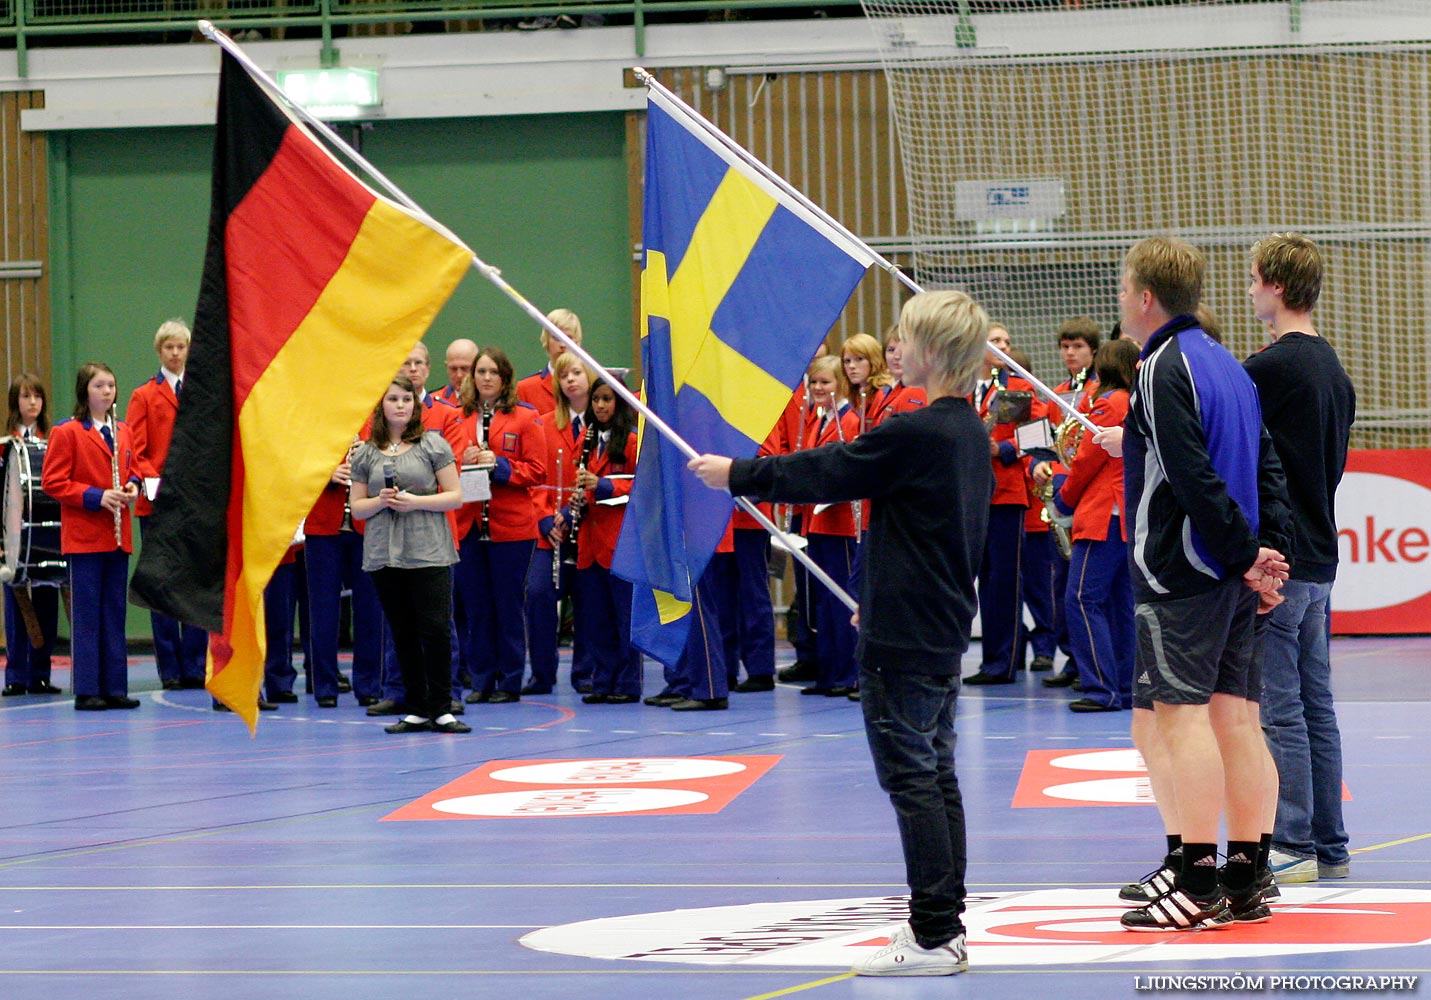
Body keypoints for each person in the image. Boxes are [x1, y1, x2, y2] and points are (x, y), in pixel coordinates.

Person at [690, 289, 993, 977]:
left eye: (905, 339)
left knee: (914, 779)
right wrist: (879, 597)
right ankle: (942, 922)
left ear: (932, 350)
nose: (896, 350)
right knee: (934, 774)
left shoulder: (917, 430)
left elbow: (827, 468)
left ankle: (933, 934)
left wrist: (734, 474)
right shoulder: (965, 431)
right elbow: (935, 538)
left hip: (906, 636)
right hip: (933, 625)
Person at [1111, 236, 1290, 931]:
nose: (1120, 300)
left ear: (1146, 297)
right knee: (1238, 722)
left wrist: (1245, 554)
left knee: (1177, 719)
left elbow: (1190, 475)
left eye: (1124, 287)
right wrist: (1267, 552)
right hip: (1229, 570)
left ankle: (1195, 882)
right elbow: (1264, 466)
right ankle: (1246, 877)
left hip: (1183, 570)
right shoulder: (1227, 365)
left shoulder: (1158, 366)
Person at [1244, 233, 1356, 884]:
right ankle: (1329, 840)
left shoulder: (1268, 369)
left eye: (1255, 278)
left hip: (1282, 560)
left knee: (1281, 707)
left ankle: (1290, 840)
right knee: (1316, 705)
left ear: (1277, 286)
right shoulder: (1333, 370)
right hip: (1321, 556)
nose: (1249, 288)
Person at [349, 375, 467, 734]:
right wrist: (379, 501)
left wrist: (416, 501)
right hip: (385, 553)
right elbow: (357, 508)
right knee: (402, 630)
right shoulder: (366, 452)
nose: (400, 405)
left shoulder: (433, 444)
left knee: (434, 629)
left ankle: (442, 708)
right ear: (381, 407)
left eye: (406, 399)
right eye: (393, 399)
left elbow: (455, 495)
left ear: (415, 405)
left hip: (428, 550)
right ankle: (415, 707)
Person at [41, 363, 143, 712]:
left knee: (114, 613)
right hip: (85, 538)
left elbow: (136, 469)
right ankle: (87, 689)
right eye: (100, 385)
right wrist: (96, 496)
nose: (107, 392)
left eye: (112, 385)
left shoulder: (124, 431)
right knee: (86, 616)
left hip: (117, 537)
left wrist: (132, 486)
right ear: (85, 390)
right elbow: (53, 482)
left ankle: (115, 687)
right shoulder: (67, 432)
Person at [1050, 338, 1138, 712]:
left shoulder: (1108, 403)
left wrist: (1062, 498)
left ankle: (1101, 688)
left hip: (1102, 514)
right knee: (1120, 604)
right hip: (1125, 517)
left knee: (1083, 599)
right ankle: (1125, 685)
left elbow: (1086, 458)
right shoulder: (1135, 402)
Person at [454, 347, 547, 703]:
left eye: (493, 372)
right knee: (476, 607)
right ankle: (481, 680)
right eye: (480, 372)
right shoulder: (458, 418)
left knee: (508, 605)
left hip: (512, 527)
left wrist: (501, 465)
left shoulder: (525, 417)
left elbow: (537, 471)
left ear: (505, 378)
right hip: (470, 525)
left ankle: (509, 680)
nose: (486, 378)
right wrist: (464, 460)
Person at [127, 319, 207, 691]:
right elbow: (135, 451)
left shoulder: (202, 391)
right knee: (162, 585)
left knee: (193, 583)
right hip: (158, 504)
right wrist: (154, 483)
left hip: (195, 503)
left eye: (181, 347)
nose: (176, 353)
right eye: (169, 348)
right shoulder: (144, 395)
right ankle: (170, 668)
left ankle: (194, 664)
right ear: (159, 351)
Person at [965, 323, 1046, 685]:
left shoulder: (1018, 388)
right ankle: (988, 658)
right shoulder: (963, 386)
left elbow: (1039, 435)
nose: (1003, 347)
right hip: (969, 496)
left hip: (1006, 494)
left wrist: (1006, 449)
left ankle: (1002, 661)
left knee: (1003, 581)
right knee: (975, 579)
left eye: (1007, 342)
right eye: (995, 341)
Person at [1030, 317, 1101, 687]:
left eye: (1078, 347)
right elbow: (1042, 443)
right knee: (1060, 582)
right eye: (1065, 347)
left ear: (1093, 351)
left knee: (1083, 585)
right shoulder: (1054, 394)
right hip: (1060, 496)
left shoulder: (1101, 391)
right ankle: (1072, 658)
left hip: (1089, 495)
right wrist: (1038, 464)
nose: (1070, 353)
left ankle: (1091, 661)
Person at [568, 377, 641, 704]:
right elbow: (577, 481)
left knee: (623, 615)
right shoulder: (586, 437)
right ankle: (603, 680)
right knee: (596, 617)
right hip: (590, 542)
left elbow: (642, 488)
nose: (600, 405)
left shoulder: (632, 442)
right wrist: (578, 498)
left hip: (620, 541)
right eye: (596, 399)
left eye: (607, 399)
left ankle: (626, 683)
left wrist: (604, 486)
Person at [527, 350, 595, 695]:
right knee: (538, 593)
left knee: (586, 598)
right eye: (564, 375)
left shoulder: (602, 426)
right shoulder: (542, 423)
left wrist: (572, 512)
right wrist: (544, 518)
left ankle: (585, 672)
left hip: (589, 526)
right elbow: (535, 477)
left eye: (577, 373)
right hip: (549, 530)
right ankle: (541, 673)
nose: (570, 380)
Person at [794, 354, 860, 698]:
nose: (818, 389)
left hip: (841, 523)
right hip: (816, 522)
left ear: (841, 384)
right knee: (820, 601)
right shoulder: (818, 419)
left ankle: (849, 673)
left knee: (842, 600)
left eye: (826, 382)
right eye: (815, 383)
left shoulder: (850, 421)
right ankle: (828, 672)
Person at [1, 374, 61, 697]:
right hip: (13, 541)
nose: (33, 403)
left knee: (47, 603)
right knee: (16, 607)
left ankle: (40, 673)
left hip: (45, 538)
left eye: (37, 397)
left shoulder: (53, 440)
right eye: (26, 397)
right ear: (16, 403)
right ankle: (16, 675)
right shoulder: (4, 445)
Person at [516, 308, 583, 413]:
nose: (563, 344)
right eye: (557, 338)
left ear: (578, 343)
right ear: (546, 341)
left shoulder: (590, 387)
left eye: (568, 338)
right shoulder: (525, 389)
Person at [440, 338, 478, 406]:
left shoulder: (491, 402)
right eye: (453, 369)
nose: (459, 375)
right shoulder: (434, 402)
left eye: (465, 368)